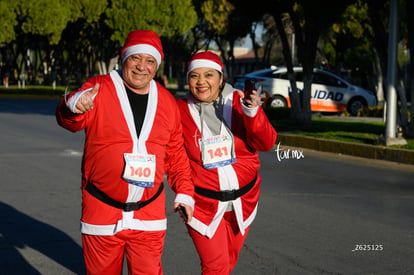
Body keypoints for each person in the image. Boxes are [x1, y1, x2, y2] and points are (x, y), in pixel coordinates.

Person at [56, 30, 194, 275]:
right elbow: (70, 122)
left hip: (149, 212)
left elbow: (176, 154)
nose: (142, 67)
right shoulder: (98, 87)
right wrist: (72, 107)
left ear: (157, 66)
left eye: (150, 61)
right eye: (135, 58)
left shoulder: (167, 102)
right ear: (124, 59)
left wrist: (184, 192)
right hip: (102, 209)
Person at [176, 51, 277, 274]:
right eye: (194, 76)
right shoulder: (179, 110)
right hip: (202, 205)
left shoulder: (240, 101)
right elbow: (170, 153)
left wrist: (253, 113)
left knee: (228, 261)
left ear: (221, 78)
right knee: (216, 267)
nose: (201, 82)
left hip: (244, 201)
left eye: (209, 75)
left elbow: (266, 143)